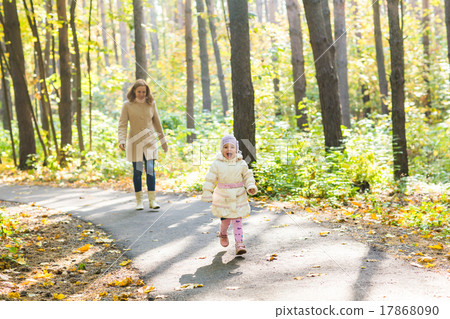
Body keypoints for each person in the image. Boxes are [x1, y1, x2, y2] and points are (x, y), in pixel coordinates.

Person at [201, 134, 258, 255]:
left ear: (236, 149)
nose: (229, 150)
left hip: (238, 195)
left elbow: (247, 176)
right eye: (225, 147)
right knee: (225, 219)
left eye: (232, 147)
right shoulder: (217, 164)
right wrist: (207, 191)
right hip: (223, 197)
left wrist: (251, 186)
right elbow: (210, 178)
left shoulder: (241, 163)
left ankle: (239, 243)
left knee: (237, 219)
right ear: (222, 149)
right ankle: (223, 233)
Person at [118, 79, 168, 210]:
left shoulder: (151, 104)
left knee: (150, 169)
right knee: (137, 172)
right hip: (135, 143)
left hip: (150, 142)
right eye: (139, 91)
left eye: (144, 92)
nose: (141, 94)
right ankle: (139, 201)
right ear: (134, 91)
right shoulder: (127, 105)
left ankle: (152, 201)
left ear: (147, 92)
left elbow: (157, 123)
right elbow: (122, 124)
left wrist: (163, 142)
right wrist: (121, 140)